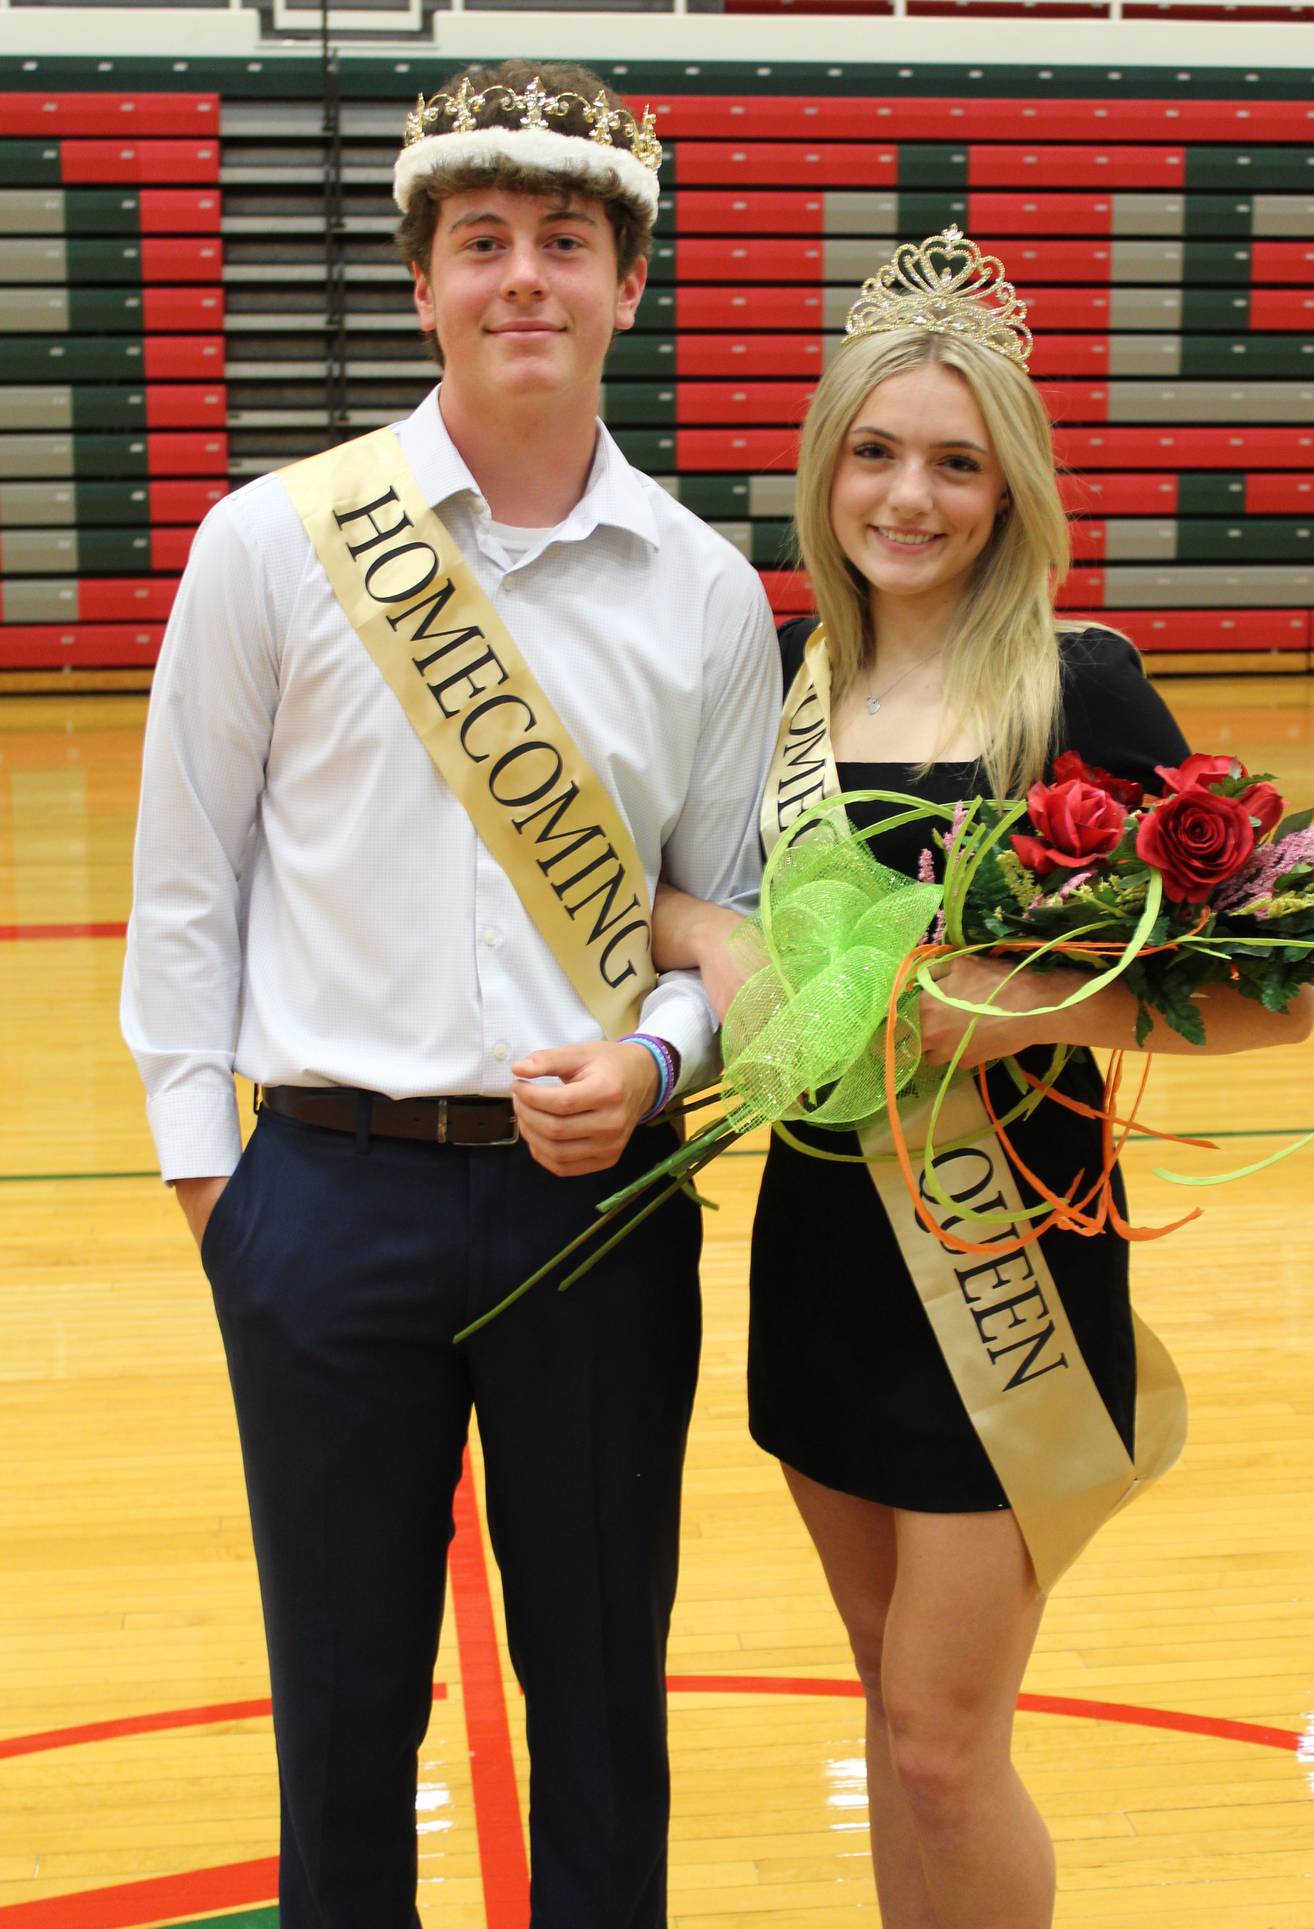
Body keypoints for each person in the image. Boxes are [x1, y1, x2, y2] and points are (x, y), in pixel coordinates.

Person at [120, 60, 779, 1928]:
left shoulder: (710, 593)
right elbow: (185, 894)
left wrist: (659, 1061)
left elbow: (722, 919)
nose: (524, 281)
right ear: (424, 285)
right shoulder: (274, 542)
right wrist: (217, 1194)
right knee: (339, 1718)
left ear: (628, 286)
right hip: (325, 1199)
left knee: (600, 1708)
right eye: (481, 243)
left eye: (566, 244)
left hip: (602, 1215)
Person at [651, 227, 1314, 1928]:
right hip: (820, 1259)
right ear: (827, 468)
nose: (910, 496)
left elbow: (1266, 1005)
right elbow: (681, 896)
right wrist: (703, 933)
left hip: (1006, 1267)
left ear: (1010, 488)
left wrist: (1018, 1015)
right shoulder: (778, 687)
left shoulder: (1074, 687)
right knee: (889, 1706)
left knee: (950, 1742)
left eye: (956, 460)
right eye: (876, 452)